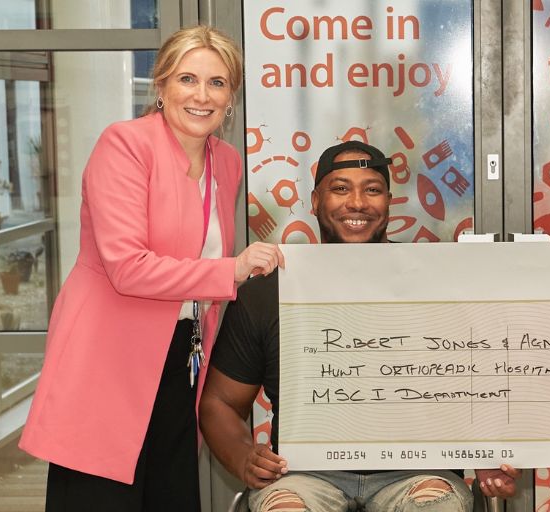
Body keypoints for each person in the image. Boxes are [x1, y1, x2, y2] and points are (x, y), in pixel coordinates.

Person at [18, 26, 284, 511]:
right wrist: (232, 270)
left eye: (217, 83)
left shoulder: (226, 162)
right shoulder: (124, 144)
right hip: (108, 359)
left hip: (182, 361)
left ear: (231, 97)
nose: (202, 96)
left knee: (170, 497)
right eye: (187, 79)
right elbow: (127, 267)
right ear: (160, 86)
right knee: (100, 500)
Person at [200, 140, 520, 512]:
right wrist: (243, 456)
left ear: (388, 202)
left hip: (417, 473)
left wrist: (487, 454)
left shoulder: (439, 287)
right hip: (303, 476)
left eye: (372, 190)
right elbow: (220, 402)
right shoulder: (268, 293)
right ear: (315, 201)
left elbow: (478, 385)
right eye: (340, 189)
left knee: (436, 507)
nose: (357, 203)